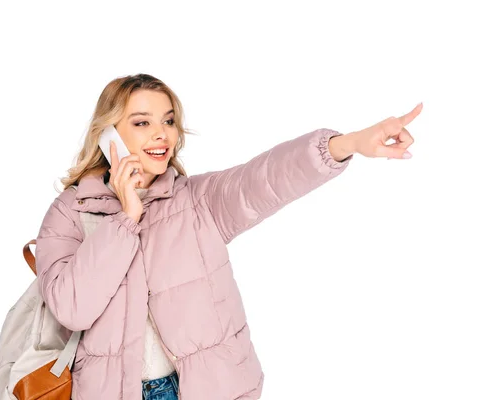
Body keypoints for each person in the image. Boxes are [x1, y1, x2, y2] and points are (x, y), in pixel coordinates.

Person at [35, 73, 420, 400]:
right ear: (108, 135)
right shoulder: (70, 213)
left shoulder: (197, 200)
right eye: (141, 123)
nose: (161, 135)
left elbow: (267, 178)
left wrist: (346, 144)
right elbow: (72, 308)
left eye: (168, 121)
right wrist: (127, 216)